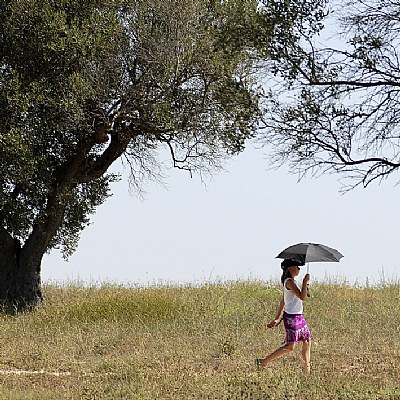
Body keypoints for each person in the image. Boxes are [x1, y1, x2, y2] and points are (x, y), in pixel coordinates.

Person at [256, 259, 312, 373]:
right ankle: (264, 362)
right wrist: (305, 282)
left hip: (298, 316)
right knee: (290, 346)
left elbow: (284, 300)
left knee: (307, 341)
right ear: (290, 268)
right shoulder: (289, 282)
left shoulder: (290, 282)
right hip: (292, 318)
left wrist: (277, 318)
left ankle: (307, 369)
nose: (299, 268)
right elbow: (302, 297)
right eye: (297, 266)